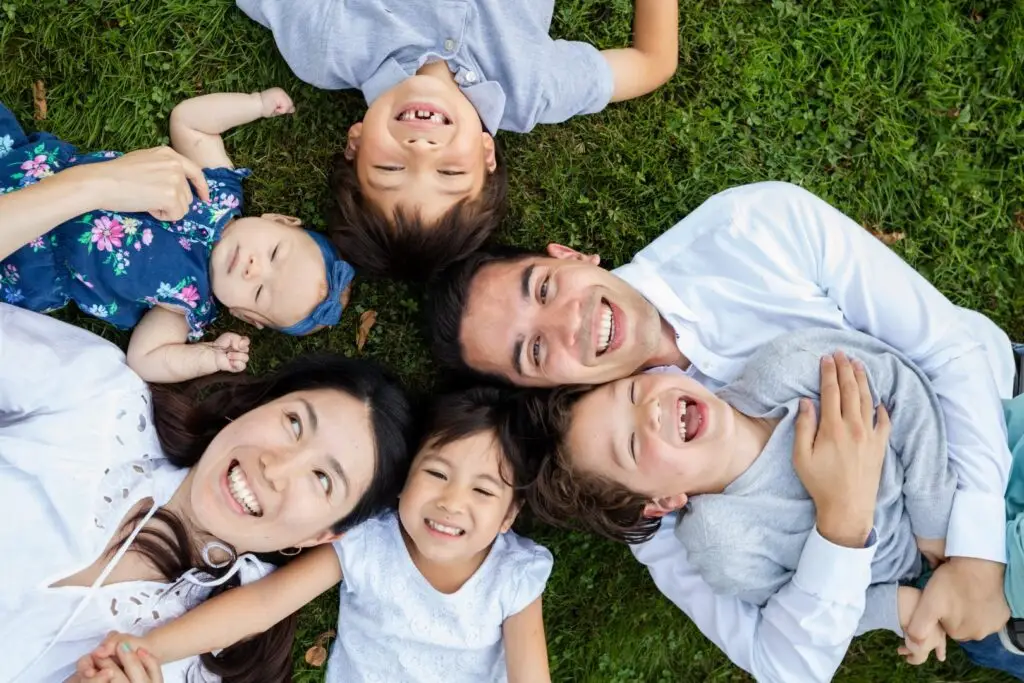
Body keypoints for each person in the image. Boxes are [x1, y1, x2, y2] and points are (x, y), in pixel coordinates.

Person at [427, 181, 1017, 680]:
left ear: (571, 256)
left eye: (544, 288)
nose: (569, 324)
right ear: (539, 389)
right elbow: (779, 659)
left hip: (991, 419)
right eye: (533, 350)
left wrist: (974, 552)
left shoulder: (753, 229)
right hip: (949, 598)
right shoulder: (623, 480)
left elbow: (946, 357)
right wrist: (844, 521)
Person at [521, 330, 1024, 679]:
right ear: (663, 503)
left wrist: (937, 523)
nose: (649, 412)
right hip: (932, 582)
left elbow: (902, 384)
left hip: (977, 462)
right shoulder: (723, 543)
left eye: (633, 391)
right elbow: (804, 605)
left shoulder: (787, 369)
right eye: (631, 446)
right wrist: (899, 607)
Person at [0, 301, 416, 683]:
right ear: (258, 406)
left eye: (322, 480)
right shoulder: (102, 400)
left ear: (320, 537)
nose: (276, 468)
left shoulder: (203, 664)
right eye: (293, 423)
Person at [78, 387, 554, 683]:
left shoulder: (513, 576)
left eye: (483, 491)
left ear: (510, 515)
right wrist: (149, 649)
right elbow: (264, 605)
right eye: (436, 473)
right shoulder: (369, 542)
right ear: (403, 481)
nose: (452, 502)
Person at [235, 0, 679, 279]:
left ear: (355, 144)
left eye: (390, 169)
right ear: (487, 154)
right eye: (449, 171)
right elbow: (652, 62)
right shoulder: (531, 89)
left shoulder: (329, 47)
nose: (421, 150)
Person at [0, 89, 356, 383]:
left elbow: (144, 359)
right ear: (279, 219)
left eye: (260, 291)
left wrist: (207, 356)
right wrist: (255, 104)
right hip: (33, 169)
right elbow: (190, 122)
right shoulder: (218, 191)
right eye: (274, 253)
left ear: (246, 316)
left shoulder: (187, 304)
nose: (253, 268)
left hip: (24, 263)